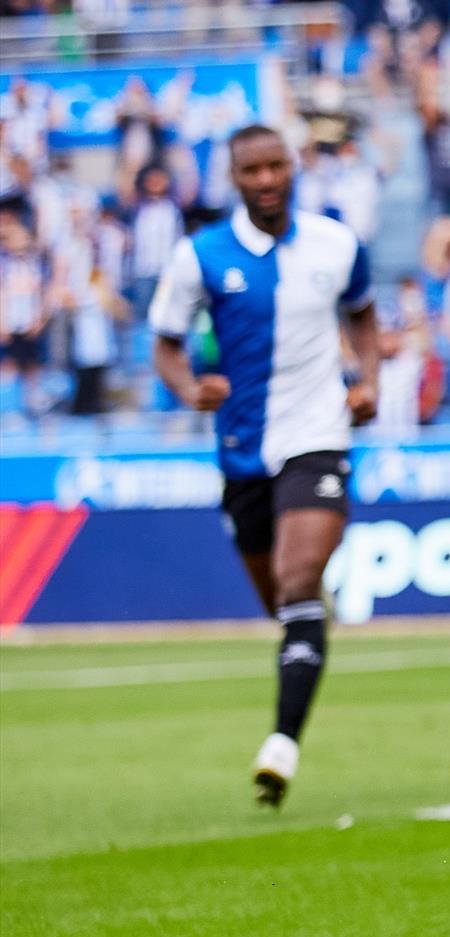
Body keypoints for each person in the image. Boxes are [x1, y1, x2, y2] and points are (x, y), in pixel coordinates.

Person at [146, 126, 378, 807]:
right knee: (286, 603)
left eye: (278, 165)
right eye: (254, 169)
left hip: (318, 432)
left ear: (293, 168)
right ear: (235, 176)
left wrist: (368, 381)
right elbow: (162, 343)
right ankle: (306, 623)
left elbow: (363, 318)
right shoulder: (200, 256)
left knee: (298, 576)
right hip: (243, 448)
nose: (268, 178)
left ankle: (281, 745)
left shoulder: (336, 244)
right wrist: (191, 389)